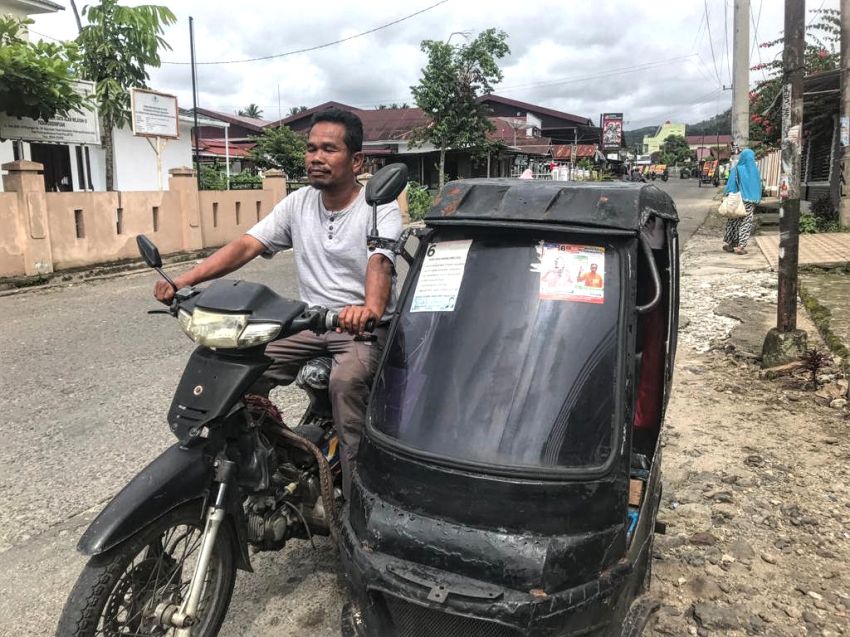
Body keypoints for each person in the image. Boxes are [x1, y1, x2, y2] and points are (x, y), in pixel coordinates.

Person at [153, 108, 402, 492]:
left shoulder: (377, 207)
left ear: (356, 161)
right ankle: (269, 462)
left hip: (360, 329)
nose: (315, 157)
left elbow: (380, 262)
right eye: (311, 148)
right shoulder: (298, 203)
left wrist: (368, 308)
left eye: (328, 150)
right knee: (238, 370)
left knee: (345, 385)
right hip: (310, 322)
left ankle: (359, 499)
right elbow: (247, 245)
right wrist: (182, 279)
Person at [722, 147, 761, 255]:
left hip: (736, 199)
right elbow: (758, 185)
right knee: (746, 222)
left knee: (733, 221)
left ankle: (730, 244)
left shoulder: (736, 169)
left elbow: (730, 184)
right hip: (750, 200)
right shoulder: (754, 170)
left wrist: (726, 194)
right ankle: (741, 246)